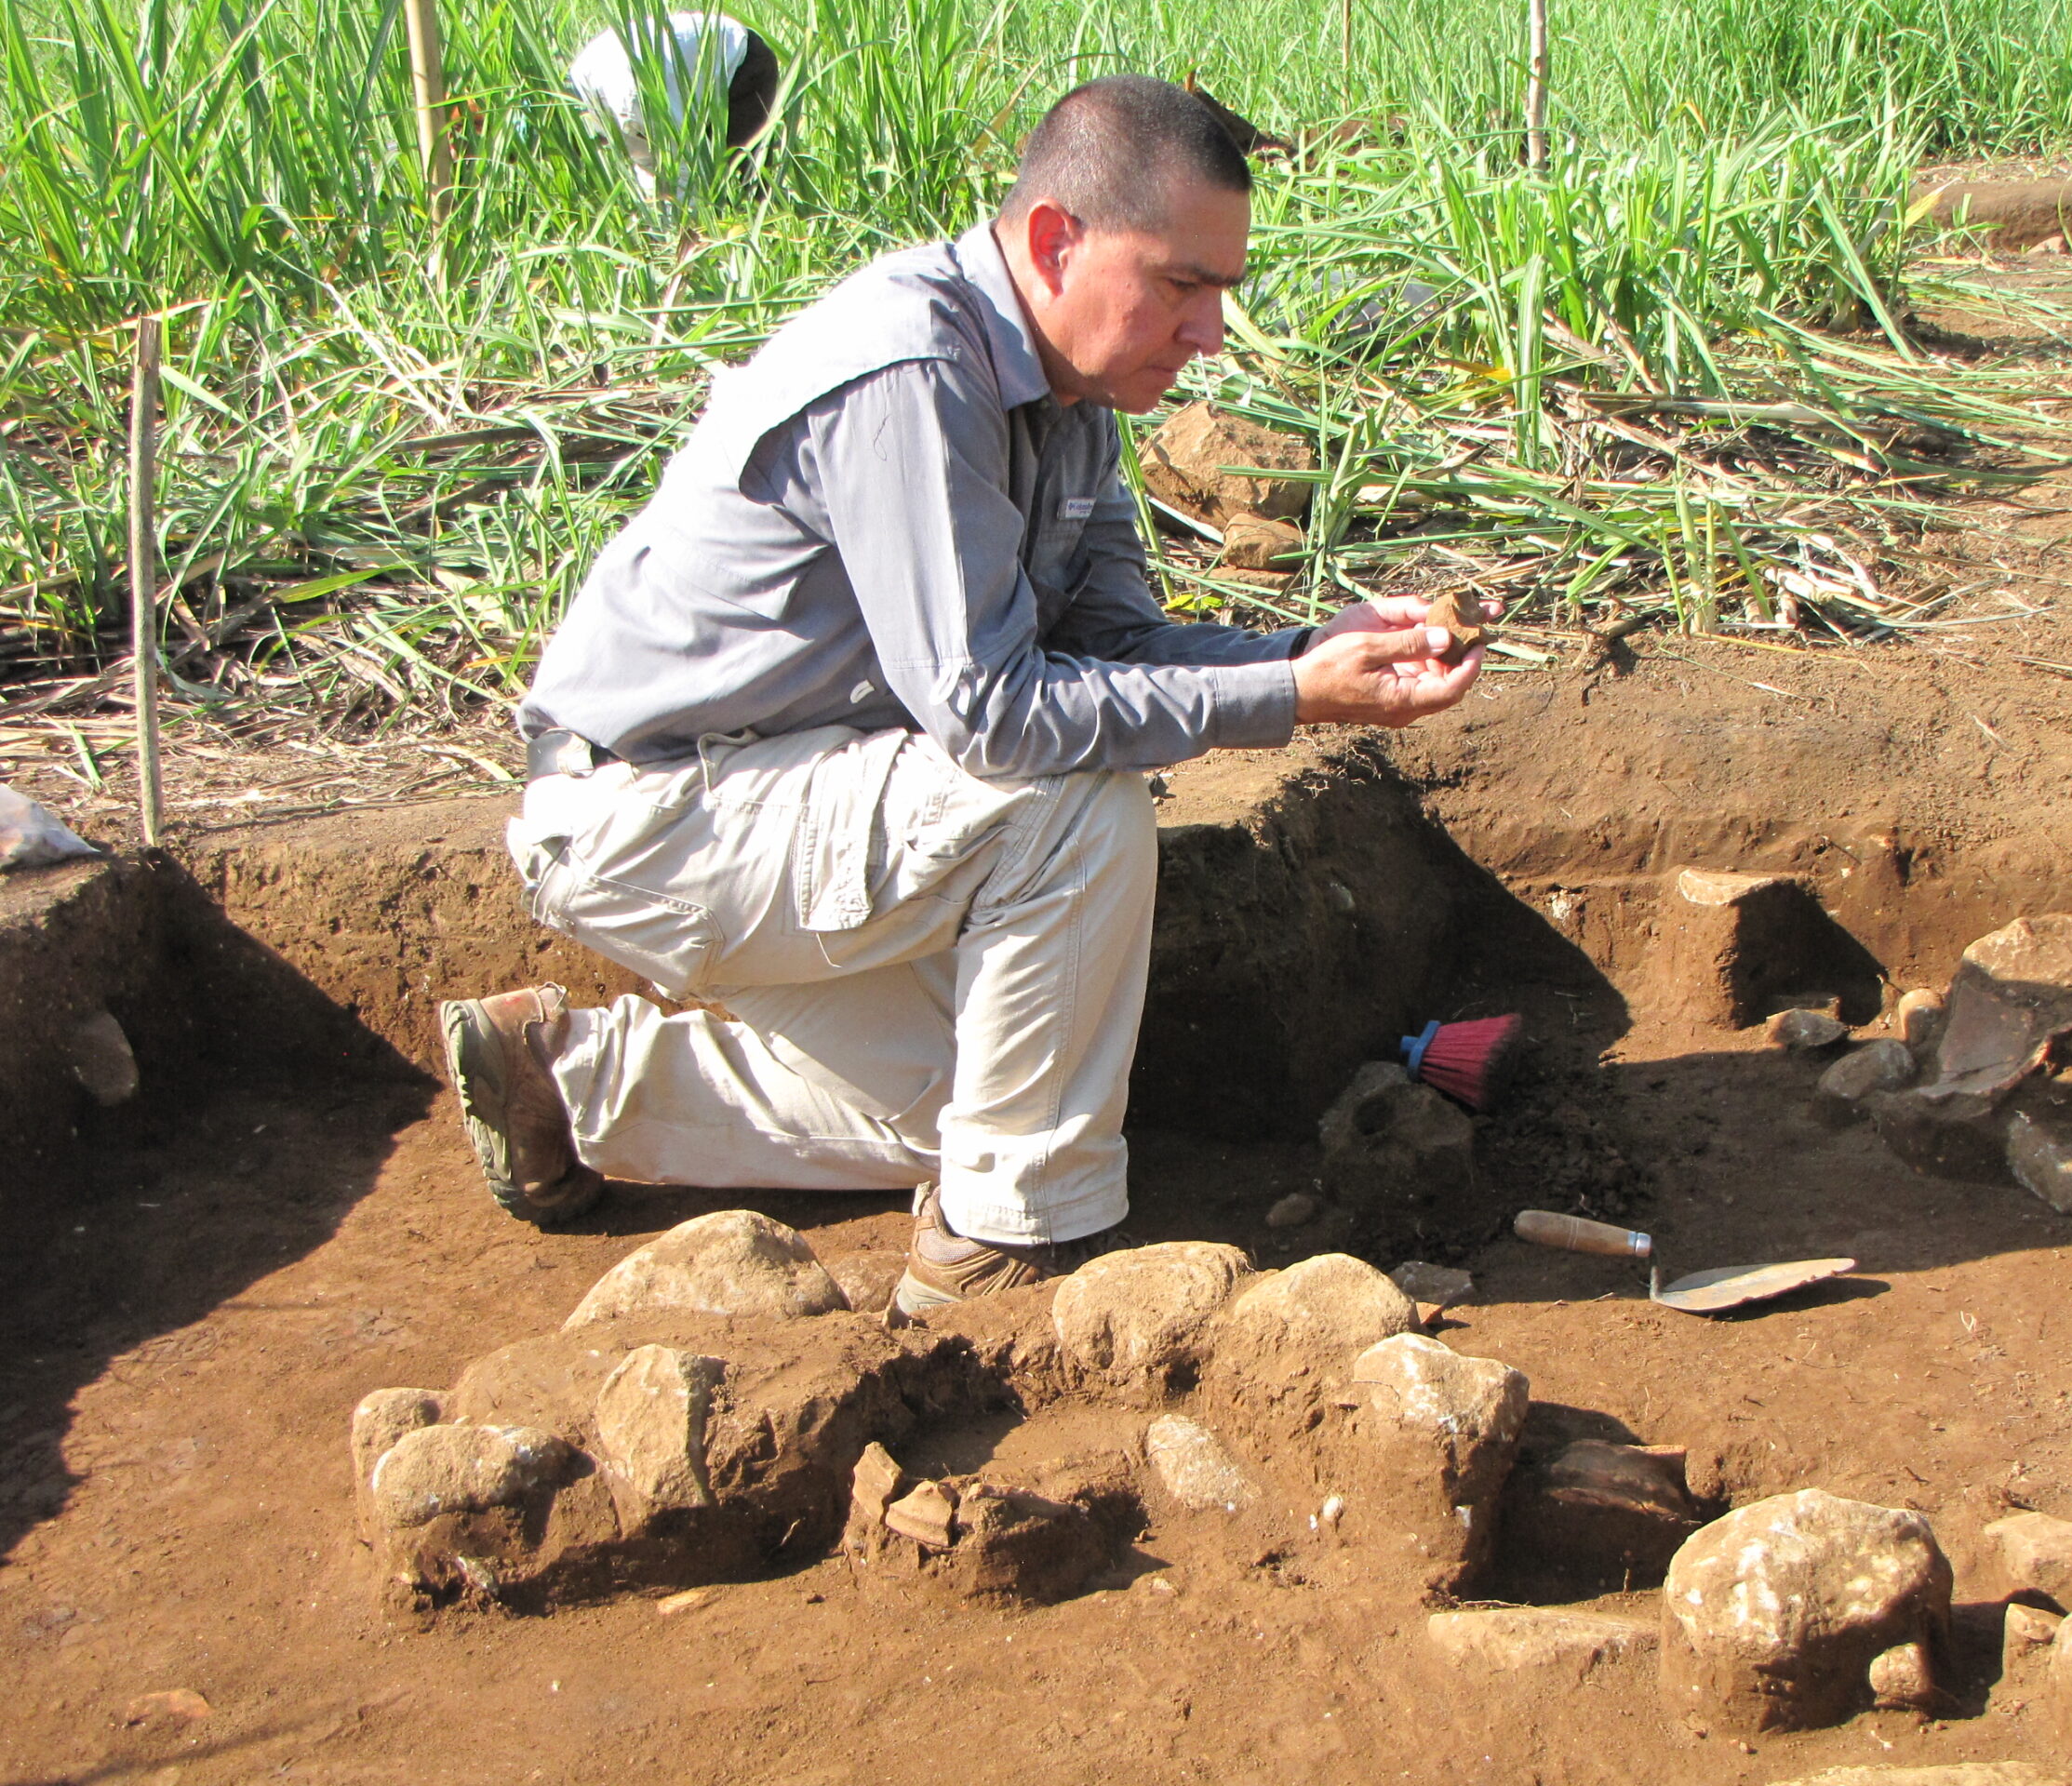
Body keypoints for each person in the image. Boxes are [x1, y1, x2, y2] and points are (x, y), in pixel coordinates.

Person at [441, 74, 1490, 1317]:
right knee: (1069, 800)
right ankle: (998, 1251)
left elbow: (1115, 640)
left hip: (788, 797)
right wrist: (1288, 701)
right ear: (1055, 241)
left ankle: (564, 1084)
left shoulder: (1072, 398)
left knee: (999, 1093)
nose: (1210, 334)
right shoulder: (913, 372)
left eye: (1223, 292)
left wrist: (1315, 654)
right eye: (1182, 285)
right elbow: (990, 716)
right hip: (653, 815)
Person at [568, 12, 780, 191]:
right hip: (676, 62)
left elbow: (683, 159)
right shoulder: (584, 84)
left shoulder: (630, 101)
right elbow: (648, 163)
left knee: (745, 172)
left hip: (742, 59)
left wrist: (681, 229)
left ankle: (766, 225)